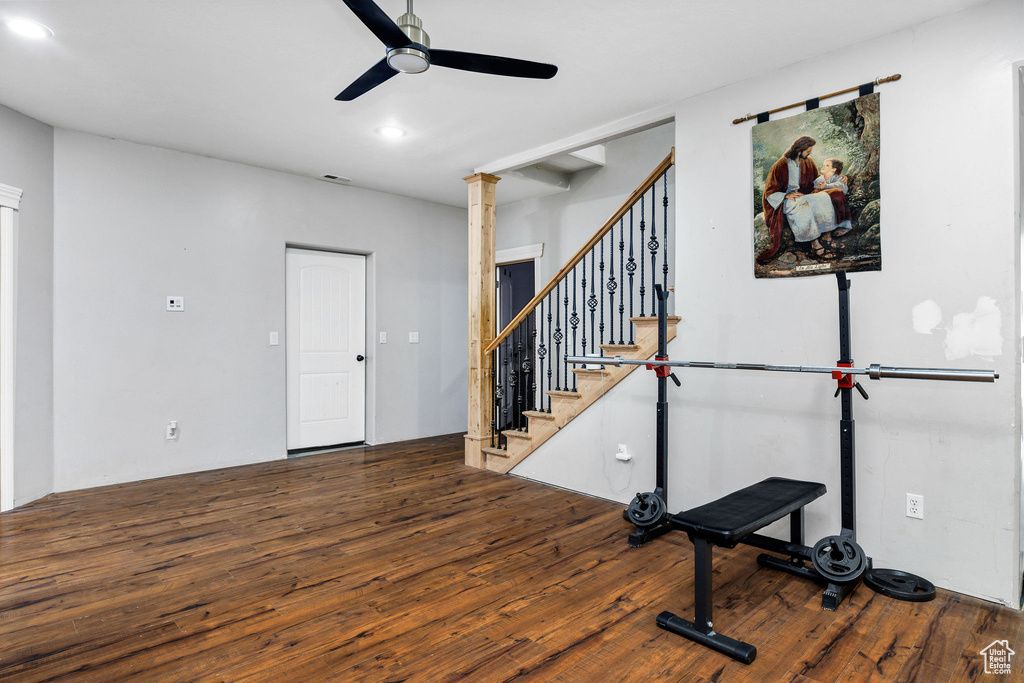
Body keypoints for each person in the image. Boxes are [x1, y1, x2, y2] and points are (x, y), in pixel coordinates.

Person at [758, 136, 833, 262]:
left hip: (802, 195)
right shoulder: (780, 165)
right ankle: (815, 244)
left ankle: (827, 235)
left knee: (824, 197)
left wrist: (822, 182)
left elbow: (815, 178)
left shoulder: (807, 161)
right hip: (784, 201)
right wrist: (786, 195)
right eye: (808, 151)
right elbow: (769, 192)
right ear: (799, 149)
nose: (810, 153)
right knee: (803, 204)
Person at [814, 158, 853, 240]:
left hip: (835, 200)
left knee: (837, 197)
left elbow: (842, 187)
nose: (823, 167)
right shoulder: (820, 179)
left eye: (827, 165)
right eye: (824, 165)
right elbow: (816, 185)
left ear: (833, 170)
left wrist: (826, 186)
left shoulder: (838, 178)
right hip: (823, 200)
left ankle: (844, 225)